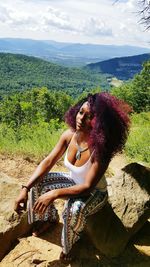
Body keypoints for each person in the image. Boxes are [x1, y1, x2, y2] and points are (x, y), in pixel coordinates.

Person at [14, 92, 131, 262]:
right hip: (73, 182)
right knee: (38, 184)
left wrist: (54, 193)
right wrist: (26, 188)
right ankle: (49, 219)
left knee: (73, 210)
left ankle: (69, 245)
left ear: (100, 123)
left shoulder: (101, 149)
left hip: (94, 193)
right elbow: (48, 161)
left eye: (89, 116)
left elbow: (87, 187)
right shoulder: (69, 135)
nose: (81, 118)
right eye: (81, 112)